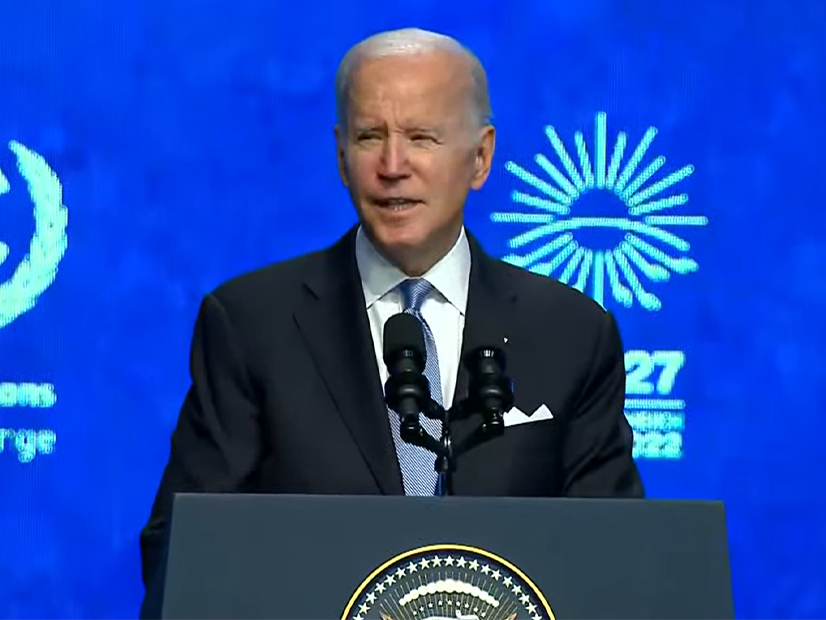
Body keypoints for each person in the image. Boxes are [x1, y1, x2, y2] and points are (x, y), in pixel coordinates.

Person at [139, 25, 643, 604]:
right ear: (340, 155)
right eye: (369, 136)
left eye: (422, 137)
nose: (393, 164)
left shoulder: (570, 333)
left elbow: (617, 561)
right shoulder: (252, 324)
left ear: (480, 159)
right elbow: (182, 553)